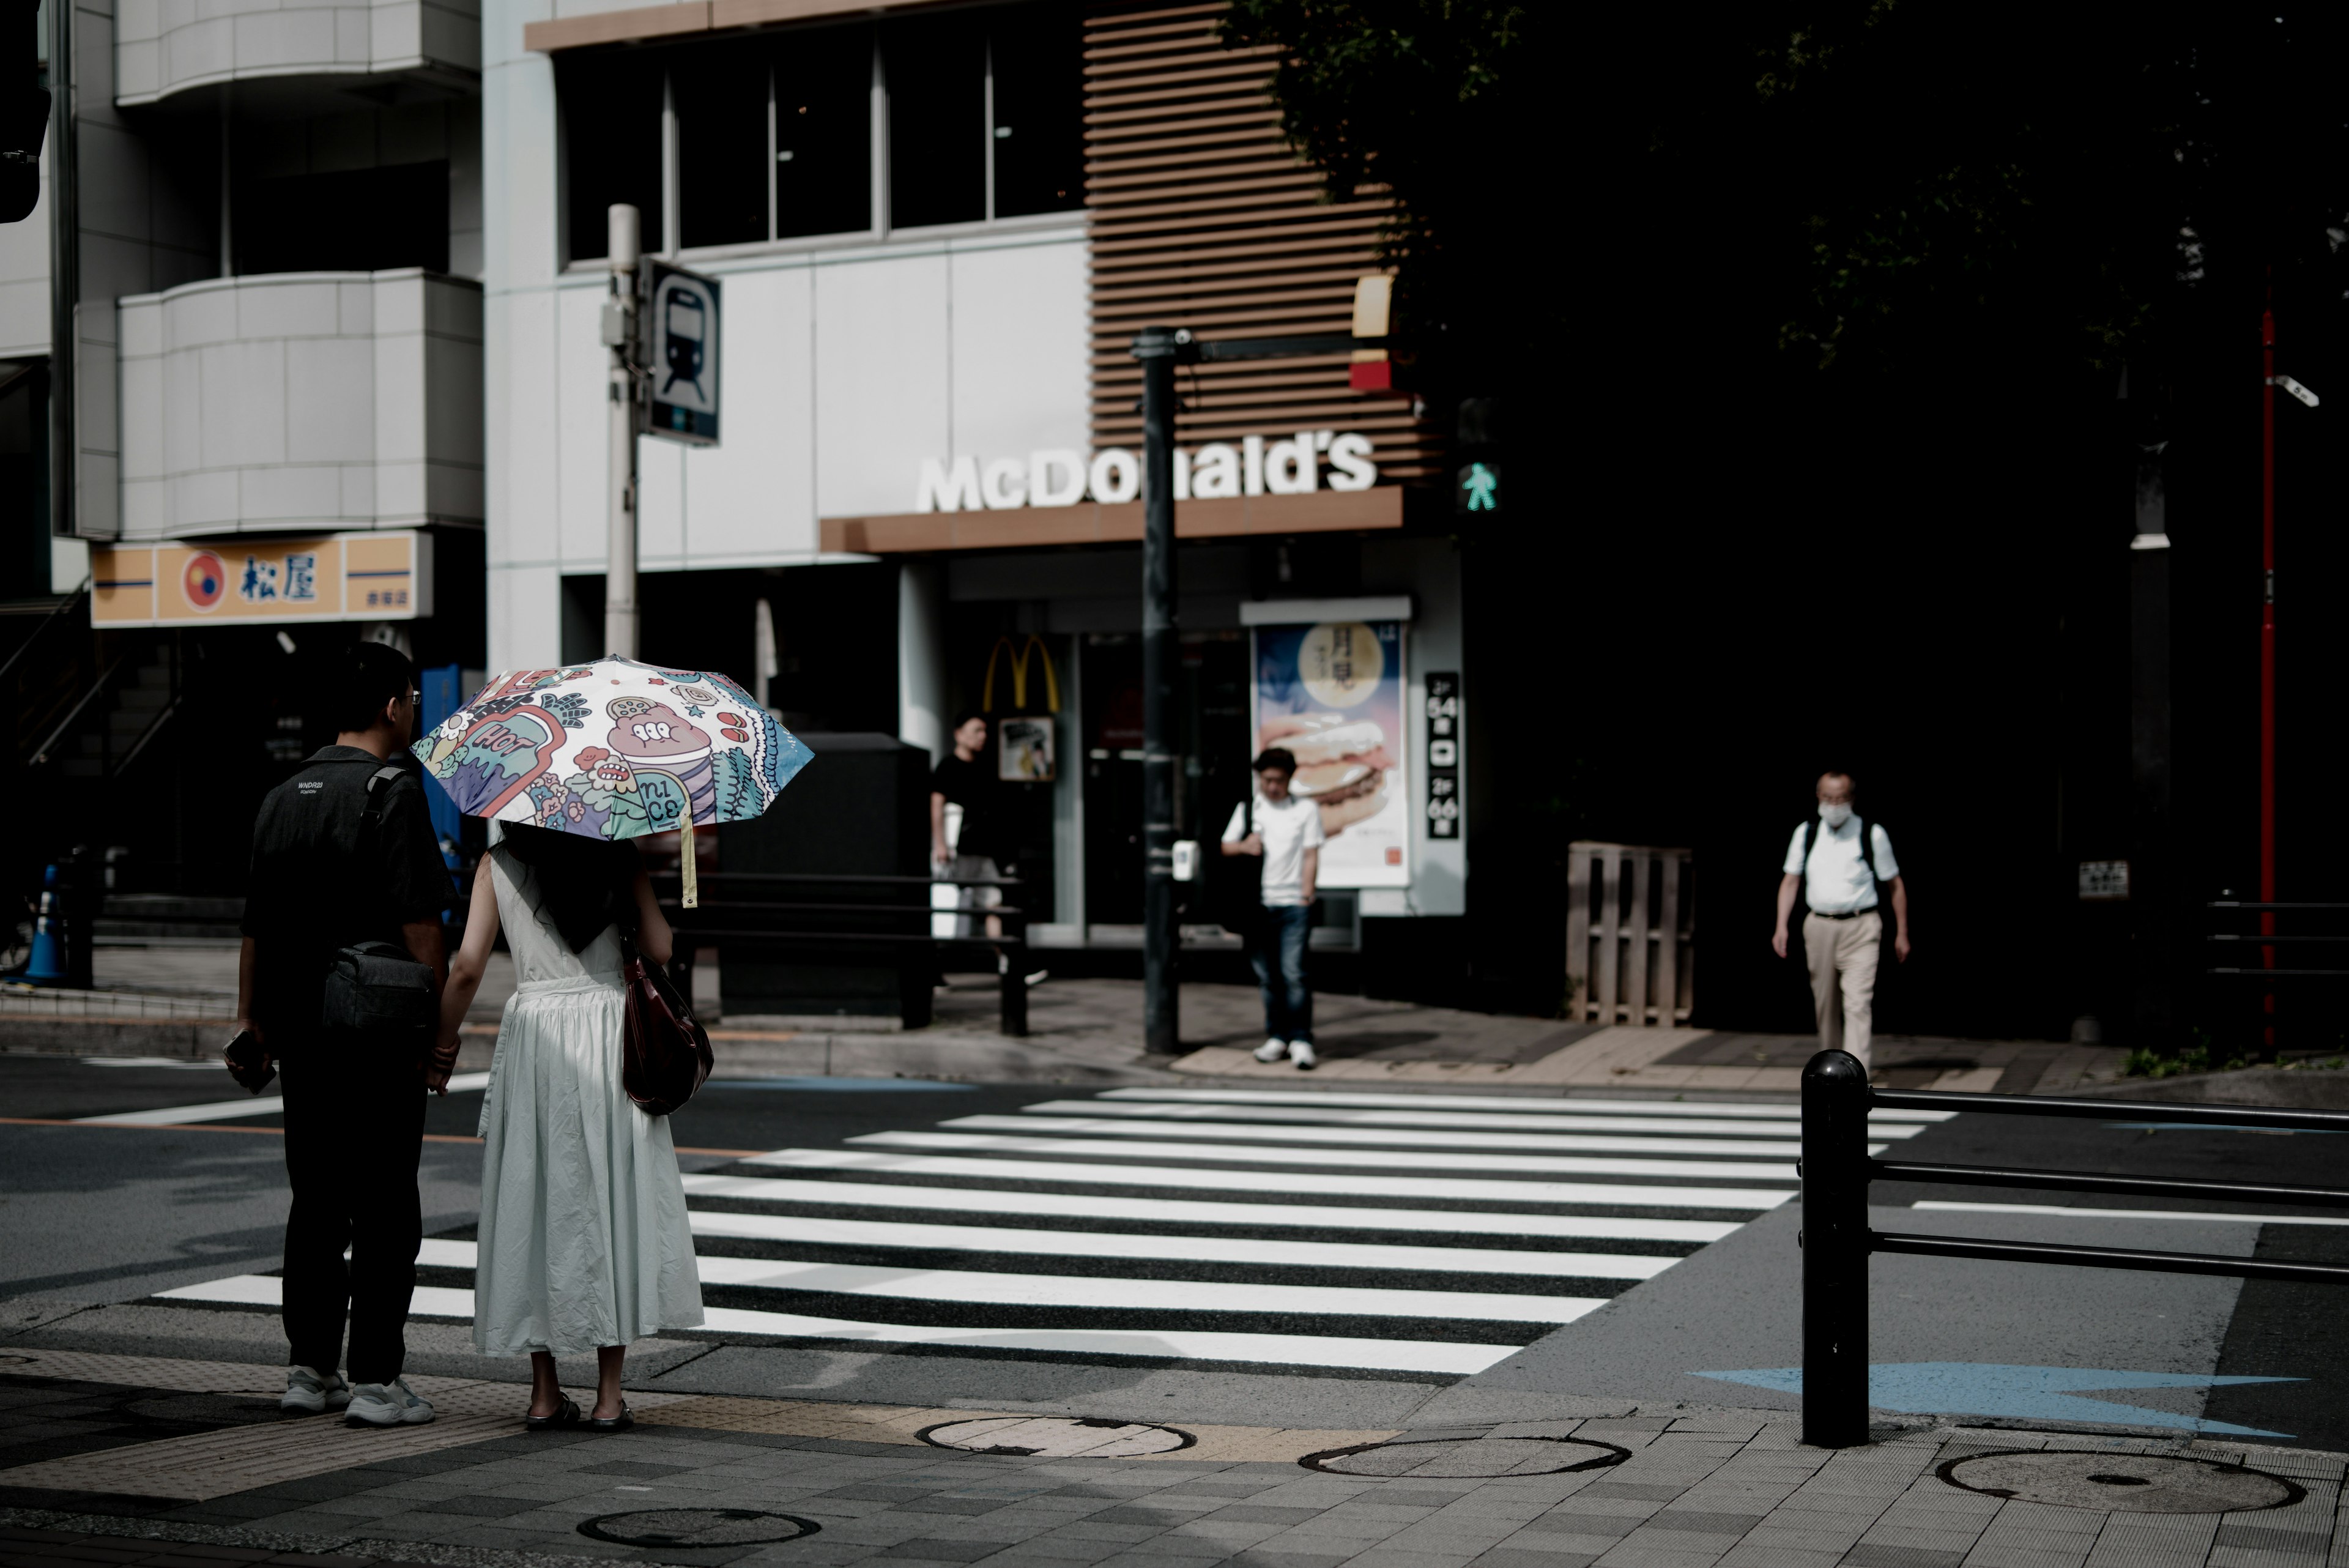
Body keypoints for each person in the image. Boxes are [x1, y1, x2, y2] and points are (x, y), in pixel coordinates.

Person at [232, 641, 455, 1427]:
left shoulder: (281, 794)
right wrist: (436, 1033)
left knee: (316, 1199)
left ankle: (309, 1368)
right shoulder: (394, 791)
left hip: (301, 1026)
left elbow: (255, 928)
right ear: (392, 706)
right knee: (388, 1201)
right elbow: (422, 924)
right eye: (412, 698)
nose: (416, 711)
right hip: (378, 1029)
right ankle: (377, 1381)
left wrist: (251, 1020)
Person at [436, 820, 703, 1431]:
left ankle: (543, 1392)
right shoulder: (618, 854)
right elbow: (660, 950)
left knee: (535, 1198)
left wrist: (441, 1044)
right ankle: (610, 1397)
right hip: (609, 1030)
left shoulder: (496, 862)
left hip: (537, 1037)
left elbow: (468, 968)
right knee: (611, 1199)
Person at [1771, 771, 1912, 1071]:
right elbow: (1791, 881)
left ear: (1851, 799)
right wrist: (1781, 925)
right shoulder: (1807, 833)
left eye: (1841, 798)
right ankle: (1831, 1071)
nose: (1834, 805)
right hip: (1819, 926)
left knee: (1858, 1003)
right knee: (1826, 1005)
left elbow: (1895, 885)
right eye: (1828, 798)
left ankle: (1856, 1075)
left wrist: (1902, 932)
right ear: (1819, 797)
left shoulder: (1871, 833)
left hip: (1861, 926)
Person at [1220, 746, 1324, 1071]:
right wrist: (1243, 846)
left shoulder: (1306, 810)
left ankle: (1301, 1039)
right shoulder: (1250, 809)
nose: (1271, 787)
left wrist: (1306, 896)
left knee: (1294, 973)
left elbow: (1311, 854)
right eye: (1266, 780)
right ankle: (1277, 1036)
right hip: (1258, 905)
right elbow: (1226, 846)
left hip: (1293, 904)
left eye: (1278, 781)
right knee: (1268, 977)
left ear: (1289, 779)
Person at [930, 711, 1013, 942]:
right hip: (958, 851)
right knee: (946, 906)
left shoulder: (984, 767)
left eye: (985, 731)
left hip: (984, 850)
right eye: (976, 730)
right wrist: (940, 845)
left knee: (994, 903)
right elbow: (936, 805)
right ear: (959, 734)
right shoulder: (948, 767)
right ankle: (936, 968)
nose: (982, 736)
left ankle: (1004, 963)